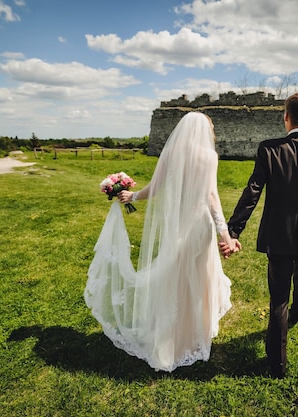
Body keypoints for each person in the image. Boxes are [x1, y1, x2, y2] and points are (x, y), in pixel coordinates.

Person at [85, 112, 238, 372]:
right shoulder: (209, 157)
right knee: (199, 275)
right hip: (201, 225)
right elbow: (212, 196)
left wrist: (133, 196)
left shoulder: (171, 153)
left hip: (178, 223)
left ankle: (176, 333)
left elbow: (155, 187)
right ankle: (194, 330)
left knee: (176, 275)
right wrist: (225, 235)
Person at [220, 92, 298, 378]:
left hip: (278, 235)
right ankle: (297, 314)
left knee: (278, 298)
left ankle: (277, 364)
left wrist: (234, 229)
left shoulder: (269, 149)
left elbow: (252, 191)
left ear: (286, 117)